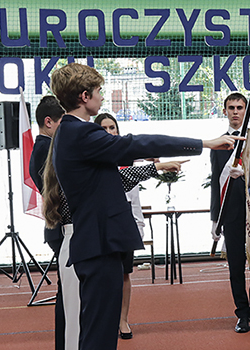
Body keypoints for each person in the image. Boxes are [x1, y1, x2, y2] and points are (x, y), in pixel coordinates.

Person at [48, 62, 242, 350]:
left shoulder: (72, 133)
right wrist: (205, 143)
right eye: (99, 91)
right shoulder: (81, 134)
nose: (102, 97)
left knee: (97, 330)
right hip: (99, 245)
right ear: (84, 96)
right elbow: (137, 144)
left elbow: (118, 172)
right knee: (99, 335)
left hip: (97, 243)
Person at [93, 113, 157, 340]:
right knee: (102, 275)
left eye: (113, 128)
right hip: (101, 225)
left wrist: (158, 163)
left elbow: (150, 160)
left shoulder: (128, 156)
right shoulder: (94, 160)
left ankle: (123, 320)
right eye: (104, 128)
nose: (110, 132)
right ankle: (103, 320)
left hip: (126, 223)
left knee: (124, 273)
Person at [210, 92, 250, 333]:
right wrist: (215, 219)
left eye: (240, 107)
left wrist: (248, 175)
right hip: (231, 212)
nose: (235, 111)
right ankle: (242, 314)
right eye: (231, 107)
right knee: (235, 265)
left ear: (246, 110)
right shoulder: (219, 143)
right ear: (225, 111)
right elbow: (215, 182)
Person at [28, 95, 65, 349]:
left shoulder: (45, 147)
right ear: (49, 122)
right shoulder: (45, 149)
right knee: (68, 294)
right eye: (64, 122)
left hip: (58, 227)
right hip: (60, 227)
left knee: (69, 291)